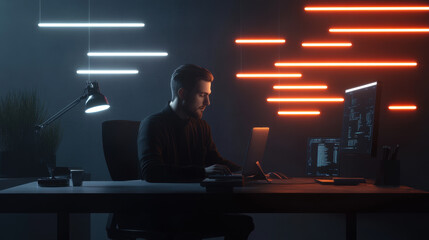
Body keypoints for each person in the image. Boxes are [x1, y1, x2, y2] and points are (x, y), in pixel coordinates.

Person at [132, 64, 254, 239]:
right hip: (162, 213)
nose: (208, 103)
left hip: (191, 208)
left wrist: (247, 172)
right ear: (182, 94)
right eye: (202, 95)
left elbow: (216, 162)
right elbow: (151, 171)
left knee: (243, 223)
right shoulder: (153, 124)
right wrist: (203, 172)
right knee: (238, 224)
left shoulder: (201, 126)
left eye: (208, 95)